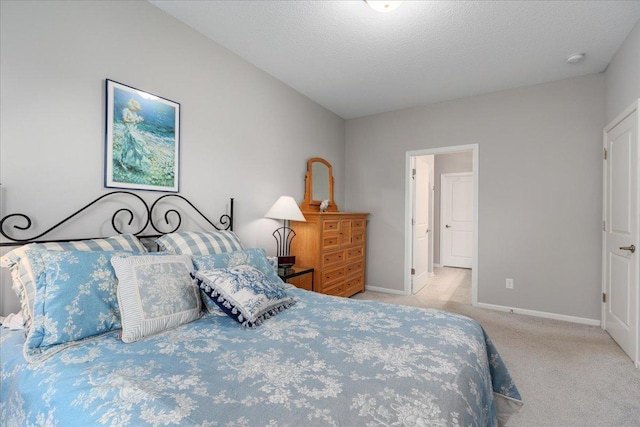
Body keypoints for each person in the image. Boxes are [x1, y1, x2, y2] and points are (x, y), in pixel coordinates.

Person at [120, 98, 147, 170]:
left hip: (134, 130)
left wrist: (138, 120)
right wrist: (134, 120)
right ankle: (123, 162)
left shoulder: (134, 113)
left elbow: (134, 122)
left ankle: (130, 162)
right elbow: (124, 120)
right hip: (129, 130)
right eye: (136, 108)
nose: (136, 110)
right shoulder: (126, 110)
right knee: (127, 146)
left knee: (134, 146)